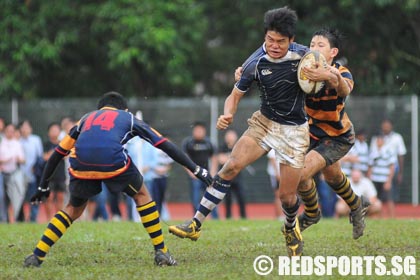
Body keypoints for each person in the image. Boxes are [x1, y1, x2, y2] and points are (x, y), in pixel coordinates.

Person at [170, 7, 310, 257]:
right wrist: (228, 113)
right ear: (264, 37)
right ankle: (195, 224)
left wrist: (326, 75)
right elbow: (234, 96)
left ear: (292, 41)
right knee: (231, 166)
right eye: (269, 40)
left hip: (294, 132)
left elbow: (329, 72)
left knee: (287, 196)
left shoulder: (305, 57)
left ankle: (290, 227)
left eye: (280, 41)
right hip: (264, 123)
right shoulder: (254, 63)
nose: (274, 46)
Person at [23, 92, 212, 267]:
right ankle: (161, 251)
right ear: (125, 109)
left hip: (80, 163)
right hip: (113, 161)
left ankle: (37, 255)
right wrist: (195, 169)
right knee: (141, 194)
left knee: (73, 208)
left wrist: (42, 186)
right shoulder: (128, 118)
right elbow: (164, 144)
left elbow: (57, 153)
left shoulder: (85, 119)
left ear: (100, 109)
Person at [182, 121, 219, 219]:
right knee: (195, 199)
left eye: (200, 130)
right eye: (196, 130)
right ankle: (197, 219)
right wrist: (191, 173)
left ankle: (216, 218)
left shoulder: (209, 143)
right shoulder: (188, 143)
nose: (198, 132)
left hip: (206, 176)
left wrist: (212, 173)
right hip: (195, 176)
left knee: (211, 197)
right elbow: (184, 159)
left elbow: (214, 158)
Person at [371, 119, 406, 202]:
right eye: (384, 126)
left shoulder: (397, 137)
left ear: (391, 126)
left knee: (390, 194)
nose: (386, 128)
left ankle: (392, 214)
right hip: (377, 171)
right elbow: (372, 154)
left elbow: (401, 155)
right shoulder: (376, 138)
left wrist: (400, 172)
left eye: (387, 126)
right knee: (376, 194)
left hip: (393, 169)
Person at [218, 129, 247, 219]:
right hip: (227, 178)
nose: (230, 138)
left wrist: (230, 159)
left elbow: (241, 160)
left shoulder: (239, 147)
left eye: (232, 136)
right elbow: (221, 160)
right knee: (228, 198)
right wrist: (232, 159)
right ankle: (228, 216)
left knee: (241, 197)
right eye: (228, 136)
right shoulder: (222, 147)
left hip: (237, 177)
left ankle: (243, 216)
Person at [0, 123, 26, 223]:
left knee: (14, 197)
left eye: (12, 131)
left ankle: (12, 219)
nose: (10, 133)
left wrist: (19, 159)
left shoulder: (17, 144)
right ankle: (3, 219)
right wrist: (5, 160)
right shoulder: (1, 143)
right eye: (8, 131)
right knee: (2, 197)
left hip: (14, 174)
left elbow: (23, 159)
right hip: (2, 173)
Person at [19, 120, 44, 222]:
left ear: (30, 129)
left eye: (27, 127)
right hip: (20, 174)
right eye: (23, 127)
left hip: (33, 174)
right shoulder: (18, 140)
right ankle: (21, 218)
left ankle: (33, 218)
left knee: (34, 197)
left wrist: (36, 167)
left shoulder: (36, 140)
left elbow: (40, 156)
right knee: (20, 198)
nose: (25, 129)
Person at [367, 134, 397, 218]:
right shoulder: (373, 152)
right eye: (377, 140)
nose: (378, 142)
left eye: (380, 140)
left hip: (385, 179)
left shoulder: (388, 152)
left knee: (389, 199)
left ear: (383, 141)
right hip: (375, 179)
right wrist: (369, 179)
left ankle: (392, 217)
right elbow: (370, 166)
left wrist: (389, 181)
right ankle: (379, 216)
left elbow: (392, 167)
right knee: (376, 199)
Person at [43, 122, 67, 219]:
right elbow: (45, 157)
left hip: (61, 174)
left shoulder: (64, 143)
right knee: (49, 197)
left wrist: (53, 154)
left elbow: (66, 156)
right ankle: (49, 218)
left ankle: (58, 218)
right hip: (49, 175)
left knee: (61, 197)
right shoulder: (46, 144)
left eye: (56, 130)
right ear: (48, 132)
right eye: (52, 130)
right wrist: (58, 154)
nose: (54, 132)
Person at [266, 149, 283, 220]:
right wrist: (277, 173)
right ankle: (279, 216)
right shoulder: (273, 146)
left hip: (284, 174)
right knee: (278, 195)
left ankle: (285, 215)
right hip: (276, 174)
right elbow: (272, 159)